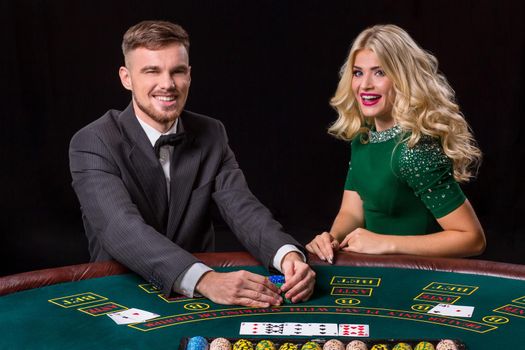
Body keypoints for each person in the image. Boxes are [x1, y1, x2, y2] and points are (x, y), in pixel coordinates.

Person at [69, 20, 315, 307]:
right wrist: (206, 280)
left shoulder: (212, 133)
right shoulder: (93, 141)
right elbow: (120, 227)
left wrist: (286, 254)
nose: (167, 84)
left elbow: (241, 207)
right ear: (126, 78)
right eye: (152, 71)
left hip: (199, 304)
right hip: (124, 294)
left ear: (189, 74)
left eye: (177, 71)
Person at [306, 24, 486, 263]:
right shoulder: (364, 137)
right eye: (358, 73)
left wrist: (385, 242)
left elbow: (472, 238)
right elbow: (352, 211)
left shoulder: (414, 149)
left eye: (379, 72)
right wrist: (331, 237)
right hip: (377, 271)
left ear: (403, 78)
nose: (365, 85)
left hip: (417, 276)